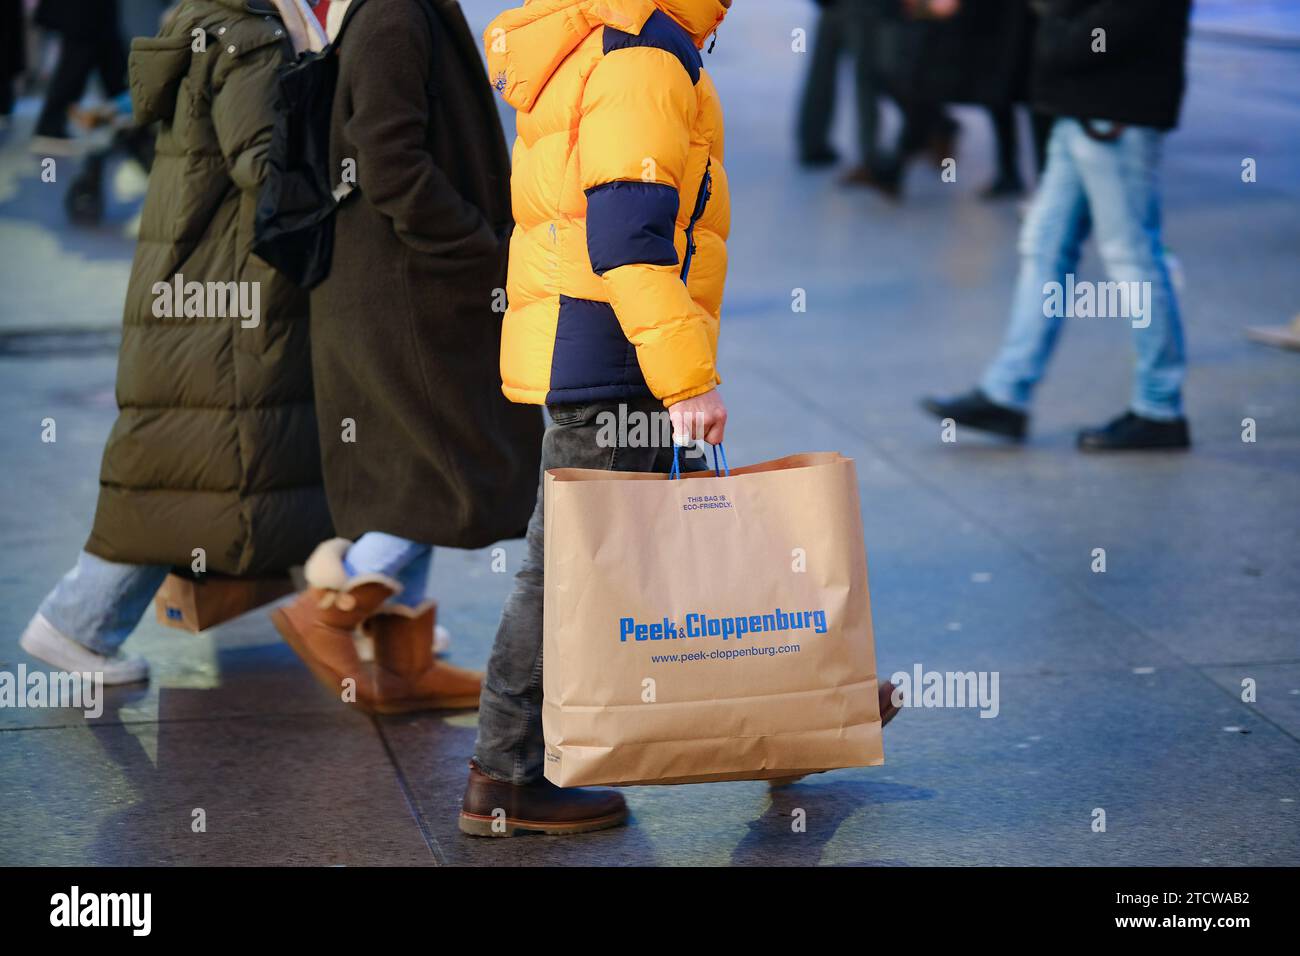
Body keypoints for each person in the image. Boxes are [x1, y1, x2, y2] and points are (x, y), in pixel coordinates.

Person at [20, 0, 333, 684]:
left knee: (190, 461)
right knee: (179, 464)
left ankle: (353, 607)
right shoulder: (252, 39)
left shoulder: (211, 19)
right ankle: (75, 623)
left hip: (197, 277)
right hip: (223, 289)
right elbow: (264, 167)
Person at [271, 0, 544, 714]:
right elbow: (387, 160)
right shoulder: (396, 11)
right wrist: (475, 245)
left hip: (397, 281)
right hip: (408, 284)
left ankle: (402, 665)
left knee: (410, 465)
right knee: (448, 463)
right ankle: (331, 605)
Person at [922, 0, 1193, 450]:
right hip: (1081, 109)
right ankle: (1006, 392)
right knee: (1045, 246)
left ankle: (1160, 408)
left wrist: (1060, 35)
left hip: (1114, 112)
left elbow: (1128, 18)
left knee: (1133, 259)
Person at [30, 0, 130, 153]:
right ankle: (49, 128)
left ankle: (126, 121)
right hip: (85, 14)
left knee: (111, 62)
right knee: (79, 61)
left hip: (90, 16)